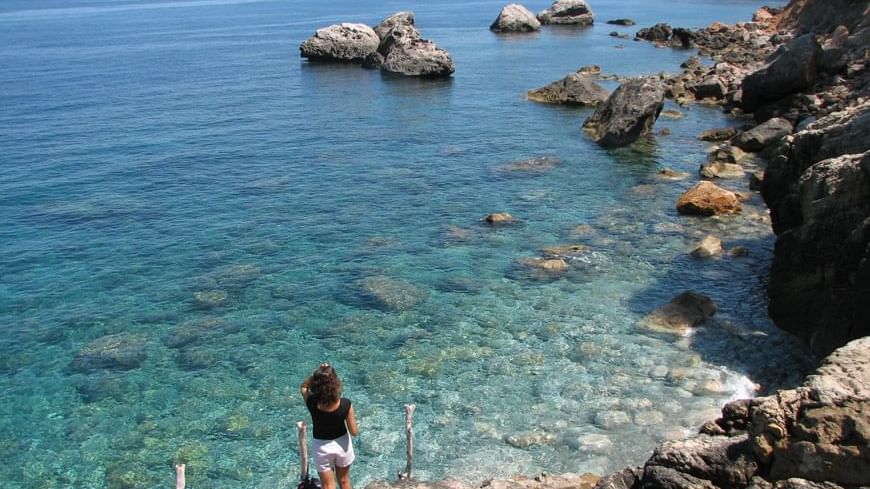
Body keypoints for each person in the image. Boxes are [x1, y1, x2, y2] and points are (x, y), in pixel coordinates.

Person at [300, 363, 360, 489]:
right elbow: (354, 432)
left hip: (322, 448)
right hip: (342, 447)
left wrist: (317, 375)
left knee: (328, 485)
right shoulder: (346, 404)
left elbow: (304, 387)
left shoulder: (312, 402)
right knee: (344, 481)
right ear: (335, 384)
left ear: (316, 385)